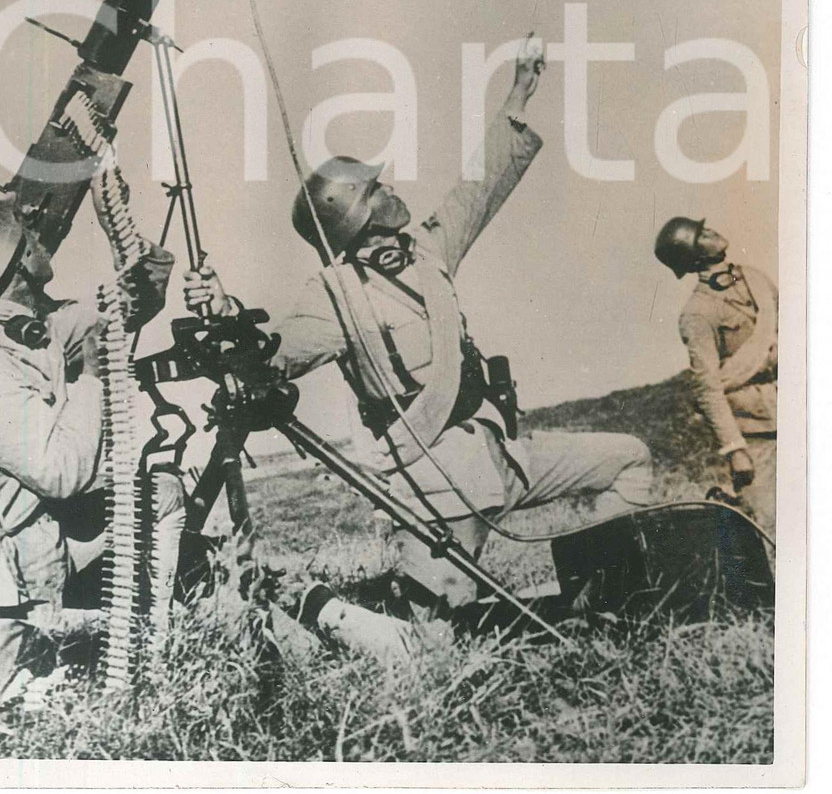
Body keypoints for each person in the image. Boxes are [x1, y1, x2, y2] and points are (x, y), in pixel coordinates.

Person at [185, 37, 653, 614]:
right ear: (355, 214)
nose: (393, 190)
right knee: (435, 638)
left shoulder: (427, 251)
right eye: (377, 189)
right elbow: (275, 353)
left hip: (504, 454)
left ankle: (606, 597)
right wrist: (226, 311)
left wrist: (519, 93)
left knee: (627, 459)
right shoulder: (335, 296)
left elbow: (478, 189)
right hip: (439, 483)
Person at [0, 191, 176, 723]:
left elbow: (110, 316)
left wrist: (137, 259)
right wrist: (92, 378)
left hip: (23, 552)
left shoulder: (12, 328)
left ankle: (151, 654)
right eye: (27, 238)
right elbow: (61, 471)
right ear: (15, 261)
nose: (39, 242)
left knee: (160, 496)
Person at [654, 217, 777, 538]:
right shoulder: (698, 313)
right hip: (756, 431)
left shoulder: (755, 279)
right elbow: (707, 388)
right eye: (701, 236)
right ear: (694, 258)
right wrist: (735, 449)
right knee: (772, 524)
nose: (712, 231)